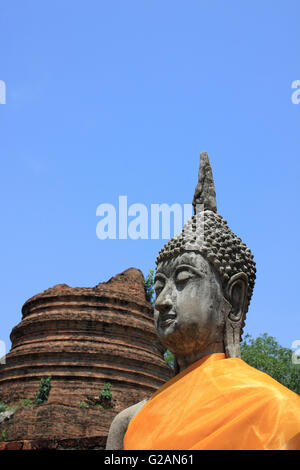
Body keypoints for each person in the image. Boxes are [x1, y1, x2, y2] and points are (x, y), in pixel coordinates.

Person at [106, 152, 300, 450]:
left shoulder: (276, 410)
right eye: (159, 287)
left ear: (233, 298)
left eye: (183, 281)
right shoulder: (130, 422)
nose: (162, 302)